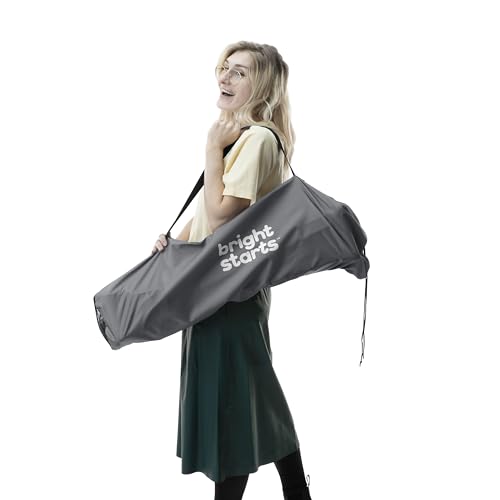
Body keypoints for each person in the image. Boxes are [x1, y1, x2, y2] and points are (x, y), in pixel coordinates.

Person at [152, 41, 312, 500]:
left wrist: (210, 147)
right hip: (221, 282)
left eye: (239, 72)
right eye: (225, 68)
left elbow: (224, 216)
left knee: (231, 400)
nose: (224, 77)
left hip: (227, 287)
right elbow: (211, 214)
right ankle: (297, 490)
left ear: (262, 86)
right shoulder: (247, 138)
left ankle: (293, 489)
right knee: (251, 390)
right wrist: (176, 242)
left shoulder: (258, 139)